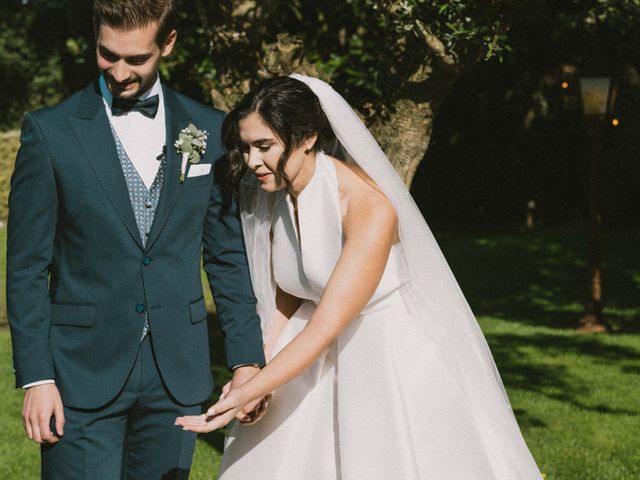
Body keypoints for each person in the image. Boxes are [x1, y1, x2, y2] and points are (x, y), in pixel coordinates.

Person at [175, 75, 544, 479]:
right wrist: (254, 369)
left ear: (307, 138)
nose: (251, 162)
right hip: (310, 348)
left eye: (265, 147)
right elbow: (289, 295)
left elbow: (326, 325)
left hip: (378, 357)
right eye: (246, 147)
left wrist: (256, 388)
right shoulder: (279, 193)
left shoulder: (368, 206)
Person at [6, 1, 266, 478]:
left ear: (167, 44)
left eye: (136, 59)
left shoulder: (208, 129)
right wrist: (38, 378)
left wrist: (247, 360)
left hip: (177, 374)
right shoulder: (50, 132)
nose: (119, 72)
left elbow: (227, 257)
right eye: (107, 54)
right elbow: (25, 267)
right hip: (78, 375)